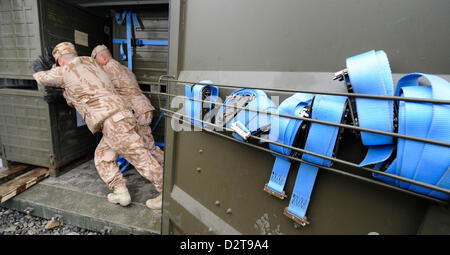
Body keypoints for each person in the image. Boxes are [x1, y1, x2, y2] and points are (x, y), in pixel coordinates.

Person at [32, 42, 163, 210]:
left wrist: (48, 69)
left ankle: (167, 194)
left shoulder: (64, 70)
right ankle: (121, 192)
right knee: (102, 157)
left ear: (61, 61)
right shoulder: (91, 62)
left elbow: (40, 77)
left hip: (114, 122)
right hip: (121, 117)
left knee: (140, 157)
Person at [91, 45, 164, 167]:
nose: (97, 65)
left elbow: (97, 86)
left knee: (148, 147)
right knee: (141, 144)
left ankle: (166, 170)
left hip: (138, 111)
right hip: (143, 108)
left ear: (103, 57)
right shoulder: (123, 68)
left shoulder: (109, 68)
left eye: (97, 61)